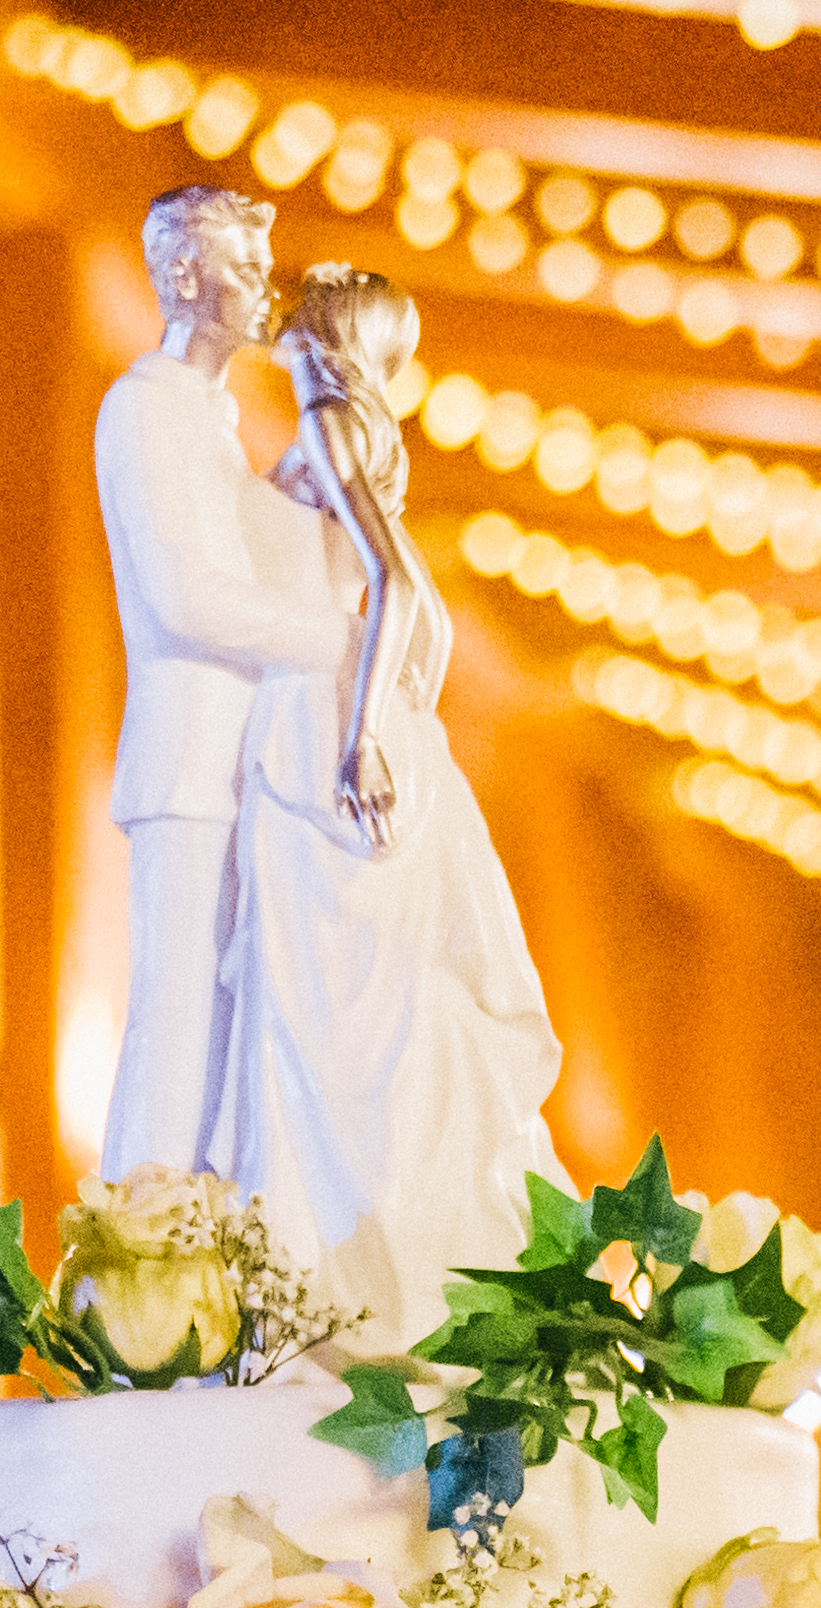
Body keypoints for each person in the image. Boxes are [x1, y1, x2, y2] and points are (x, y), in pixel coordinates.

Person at [202, 267, 564, 1341]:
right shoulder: (363, 427)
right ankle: (362, 1276)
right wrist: (404, 697)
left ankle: (344, 1279)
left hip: (324, 733)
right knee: (364, 1011)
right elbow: (424, 613)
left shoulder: (327, 423)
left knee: (329, 1011)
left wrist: (365, 732)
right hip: (343, 712)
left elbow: (401, 588)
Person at [92, 186, 348, 1181]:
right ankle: (138, 1272)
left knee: (229, 1027)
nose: (261, 290)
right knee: (177, 1019)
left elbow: (241, 547)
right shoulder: (144, 408)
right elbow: (186, 595)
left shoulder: (213, 420)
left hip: (247, 758)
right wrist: (332, 639)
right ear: (188, 276)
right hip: (186, 759)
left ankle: (203, 1264)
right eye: (243, 267)